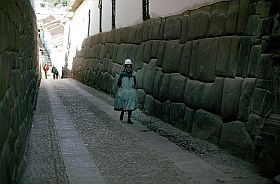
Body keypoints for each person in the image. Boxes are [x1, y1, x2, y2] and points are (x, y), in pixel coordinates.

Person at [113, 59, 138, 124]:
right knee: (124, 103)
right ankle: (122, 112)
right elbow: (118, 83)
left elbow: (135, 83)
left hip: (131, 91)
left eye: (130, 67)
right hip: (124, 91)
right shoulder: (122, 74)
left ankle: (129, 119)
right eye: (127, 67)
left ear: (131, 67)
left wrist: (133, 88)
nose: (129, 68)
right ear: (125, 67)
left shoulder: (134, 74)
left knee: (131, 105)